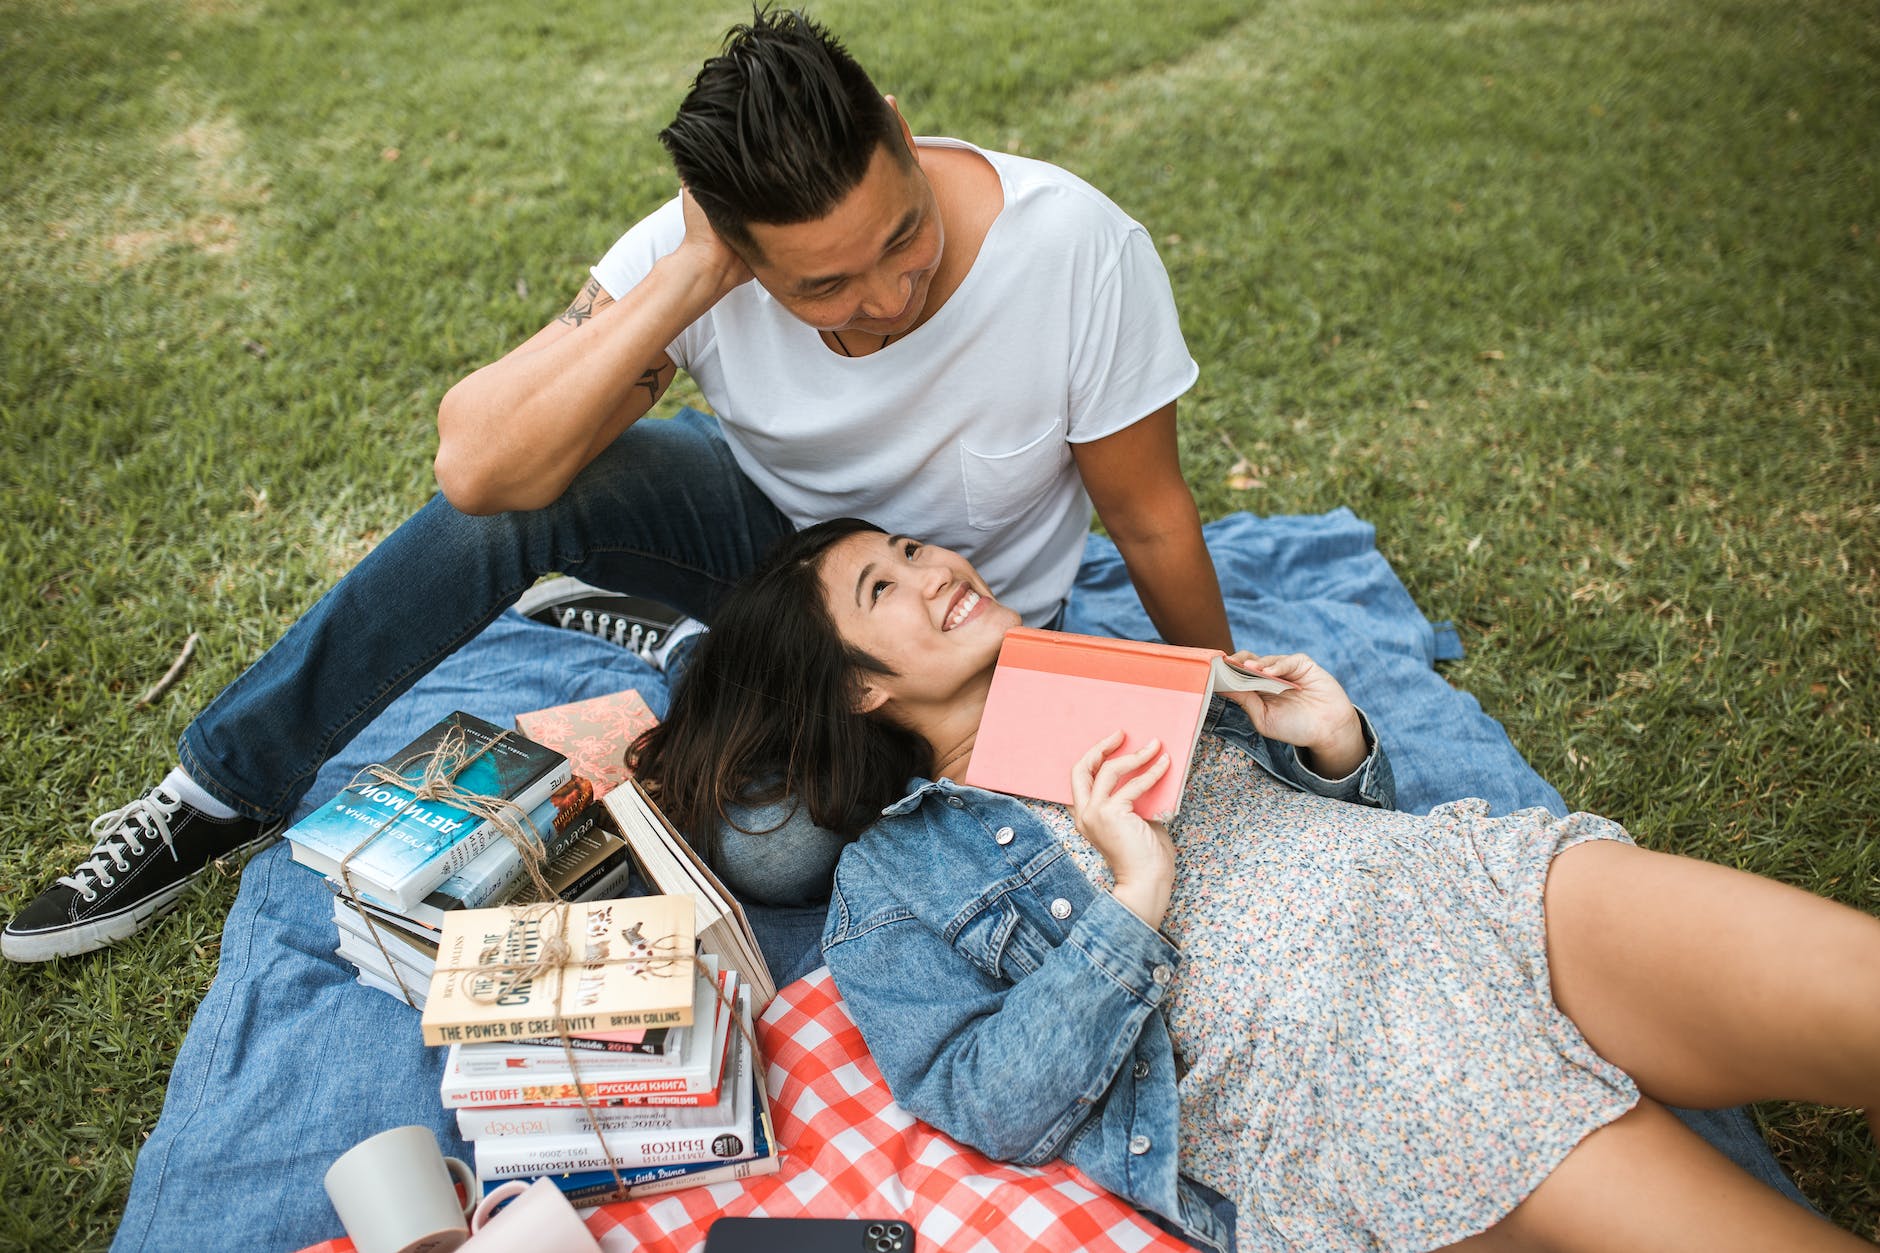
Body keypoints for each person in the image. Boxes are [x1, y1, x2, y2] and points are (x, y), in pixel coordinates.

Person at [3, 8, 1229, 962]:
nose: (885, 298)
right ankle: (216, 788)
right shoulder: (688, 263)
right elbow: (478, 467)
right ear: (736, 246)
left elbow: (1151, 517)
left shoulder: (1072, 247)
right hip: (771, 539)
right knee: (538, 494)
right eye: (820, 287)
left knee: (781, 847)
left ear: (902, 136)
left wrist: (1215, 693)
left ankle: (701, 657)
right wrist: (691, 283)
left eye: (901, 239)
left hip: (965, 641)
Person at [632, 518, 1880, 1253]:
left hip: (1448, 893)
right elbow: (987, 1101)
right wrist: (1131, 897)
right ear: (858, 689)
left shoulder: (1106, 672)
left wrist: (1330, 743)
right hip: (1339, 1075)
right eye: (882, 591)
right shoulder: (887, 884)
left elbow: (1318, 835)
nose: (931, 571)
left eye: (910, 549)